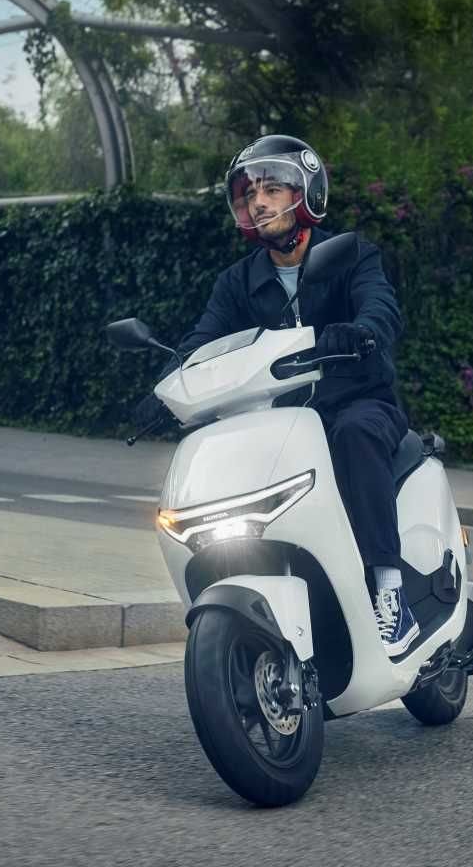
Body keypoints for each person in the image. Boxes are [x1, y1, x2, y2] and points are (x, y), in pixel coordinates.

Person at [134, 134, 419, 657]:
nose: (258, 203)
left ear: (305, 193)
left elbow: (380, 305)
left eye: (271, 190)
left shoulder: (351, 254)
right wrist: (166, 385)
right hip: (280, 418)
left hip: (357, 402)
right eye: (249, 195)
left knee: (355, 434)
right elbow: (203, 340)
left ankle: (389, 592)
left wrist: (362, 330)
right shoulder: (237, 281)